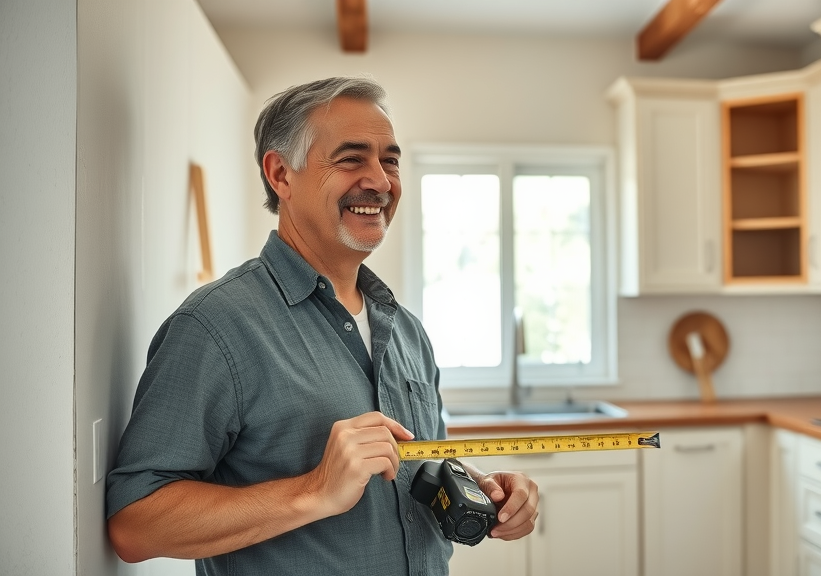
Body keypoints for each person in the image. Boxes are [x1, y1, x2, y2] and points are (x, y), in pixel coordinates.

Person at [106, 76, 539, 575]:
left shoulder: (408, 332)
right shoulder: (215, 326)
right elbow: (134, 523)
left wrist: (481, 486)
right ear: (281, 174)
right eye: (352, 158)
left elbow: (422, 466)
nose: (380, 181)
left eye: (390, 160)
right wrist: (313, 491)